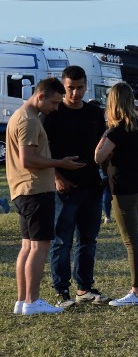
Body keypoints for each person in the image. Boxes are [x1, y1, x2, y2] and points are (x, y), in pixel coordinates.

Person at [8, 78, 85, 315]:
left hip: (23, 190)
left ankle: (23, 301)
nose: (56, 108)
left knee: (28, 247)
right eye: (53, 102)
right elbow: (27, 160)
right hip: (35, 191)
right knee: (40, 247)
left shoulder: (20, 115)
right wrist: (59, 163)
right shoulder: (29, 120)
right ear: (40, 97)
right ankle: (33, 301)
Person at [43, 66, 110, 309]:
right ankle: (62, 291)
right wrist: (56, 177)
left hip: (92, 186)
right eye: (70, 88)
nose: (75, 92)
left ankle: (84, 288)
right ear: (63, 87)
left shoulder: (94, 112)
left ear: (85, 86)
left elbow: (104, 146)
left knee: (88, 240)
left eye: (80, 87)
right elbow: (43, 151)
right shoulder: (53, 113)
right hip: (65, 188)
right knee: (62, 241)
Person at [94, 82, 138, 307]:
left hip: (123, 188)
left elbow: (98, 157)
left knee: (131, 241)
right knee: (137, 240)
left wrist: (103, 136)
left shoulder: (117, 130)